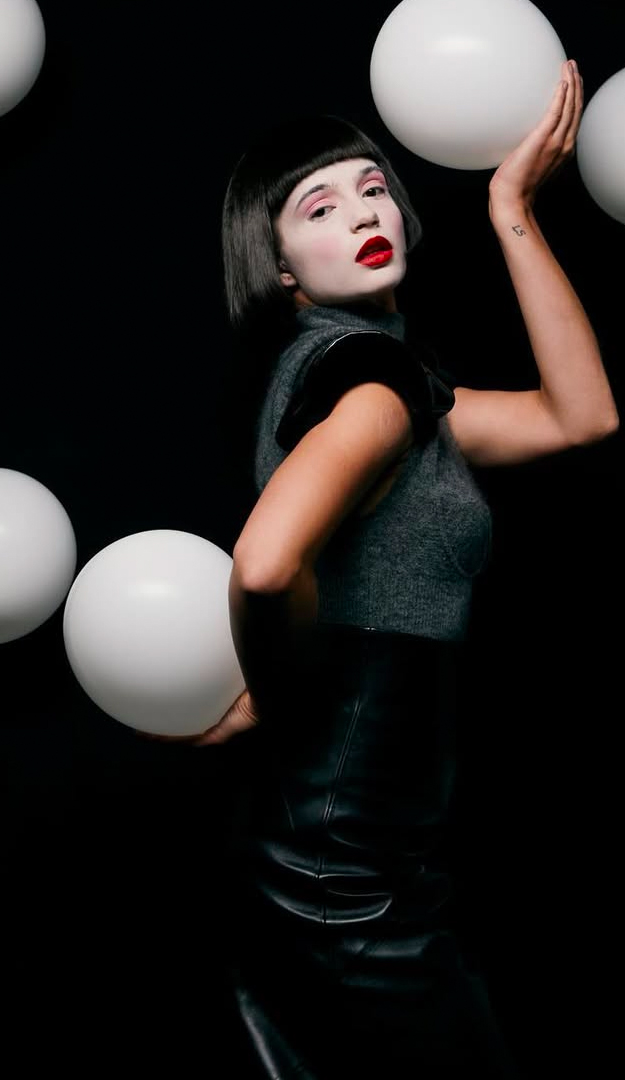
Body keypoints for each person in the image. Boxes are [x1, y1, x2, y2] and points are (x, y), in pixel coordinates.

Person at [161, 61, 614, 1077]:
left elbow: (579, 415)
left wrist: (513, 208)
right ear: (278, 266)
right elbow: (267, 566)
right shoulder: (375, 389)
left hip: (346, 845)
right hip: (349, 863)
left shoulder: (389, 387)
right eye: (317, 206)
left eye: (373, 187)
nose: (363, 210)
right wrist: (270, 699)